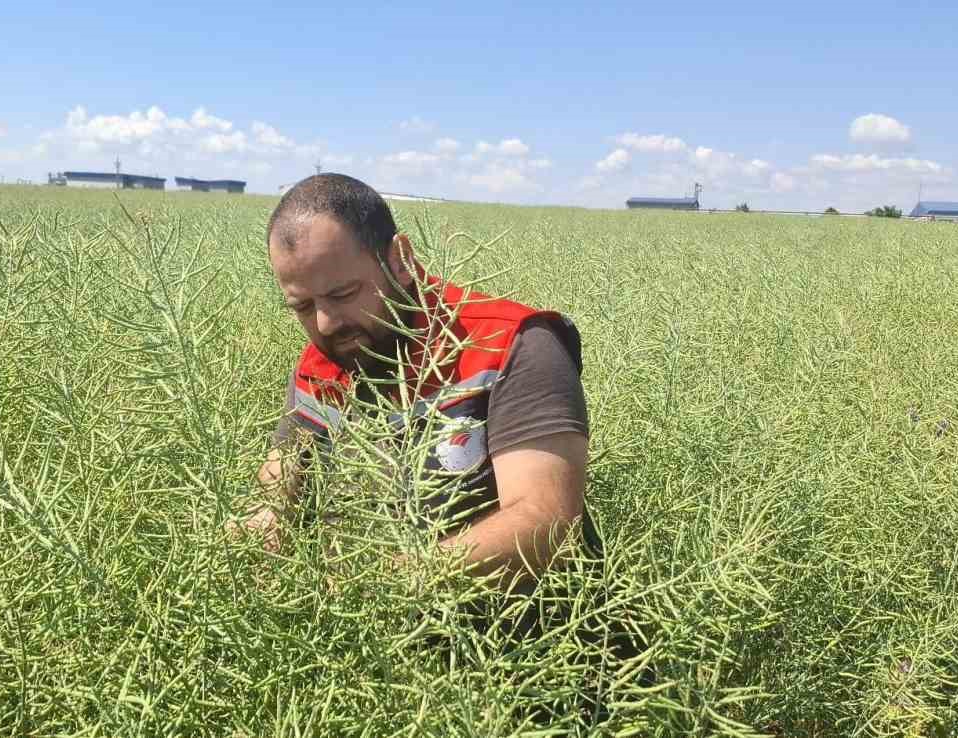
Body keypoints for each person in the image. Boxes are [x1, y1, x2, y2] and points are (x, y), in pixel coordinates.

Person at [230, 173, 646, 725]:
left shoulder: (511, 344)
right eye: (302, 306)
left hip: (539, 675)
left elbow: (547, 522)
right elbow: (279, 484)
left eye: (343, 294)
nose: (325, 323)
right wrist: (253, 535)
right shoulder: (325, 362)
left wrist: (386, 582)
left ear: (400, 258)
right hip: (398, 683)